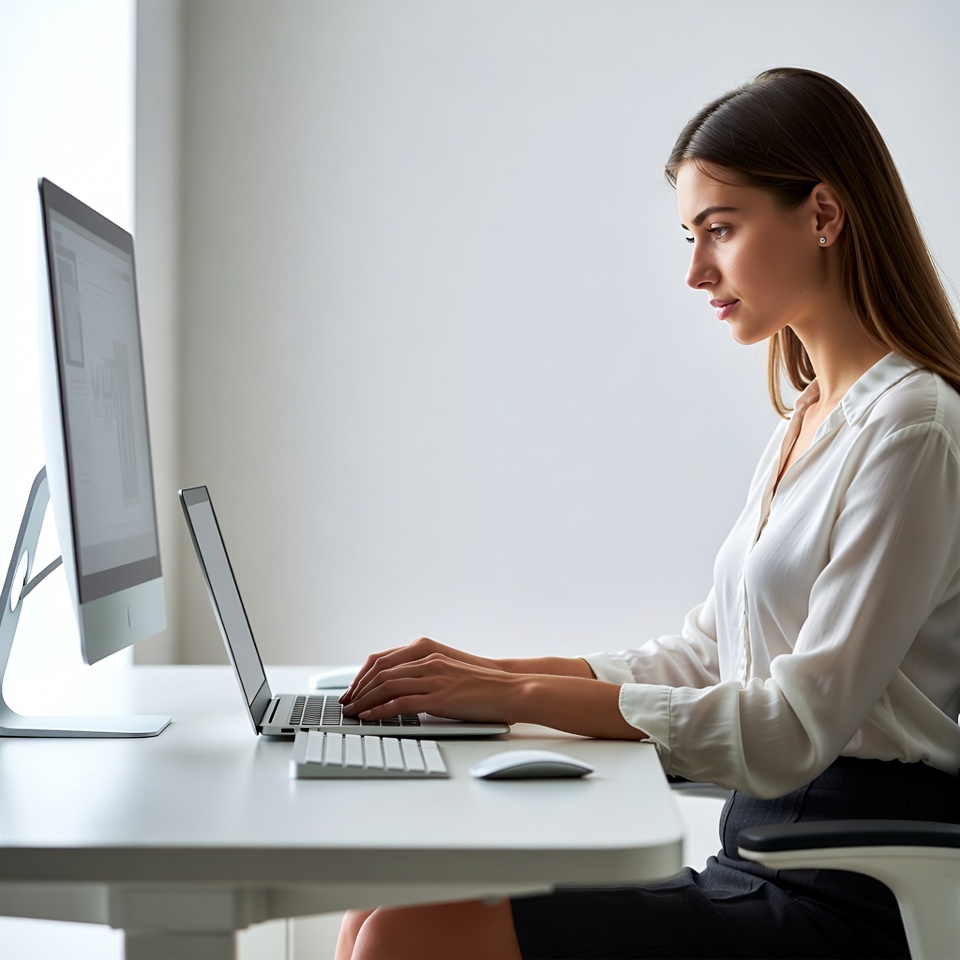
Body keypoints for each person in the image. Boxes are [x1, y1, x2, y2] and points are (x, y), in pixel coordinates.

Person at [334, 67, 960, 959]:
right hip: (767, 852)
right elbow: (709, 652)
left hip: (847, 889)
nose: (696, 269)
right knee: (383, 906)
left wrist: (512, 695)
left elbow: (791, 729)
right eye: (691, 234)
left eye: (721, 230)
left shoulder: (912, 429)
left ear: (823, 215)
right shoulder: (812, 417)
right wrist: (477, 674)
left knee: (408, 932)